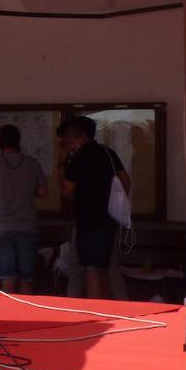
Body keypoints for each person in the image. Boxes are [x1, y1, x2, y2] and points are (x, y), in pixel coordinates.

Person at [57, 116, 131, 299]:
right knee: (103, 270)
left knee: (91, 271)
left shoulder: (80, 157)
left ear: (74, 137)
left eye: (66, 138)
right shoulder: (108, 153)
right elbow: (126, 181)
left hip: (88, 222)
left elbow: (66, 190)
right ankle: (109, 308)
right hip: (109, 220)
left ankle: (95, 311)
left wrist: (61, 163)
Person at [0, 124, 47, 294]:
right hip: (28, 226)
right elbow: (43, 192)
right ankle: (26, 316)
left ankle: (9, 316)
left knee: (6, 279)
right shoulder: (32, 163)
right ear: (18, 141)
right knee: (26, 280)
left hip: (1, 227)